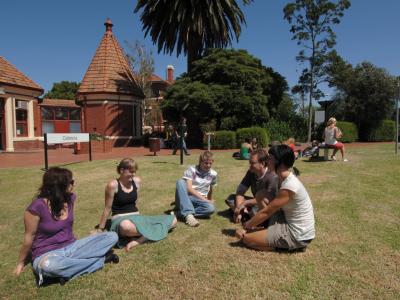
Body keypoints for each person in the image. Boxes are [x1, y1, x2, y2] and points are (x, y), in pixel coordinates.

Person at [14, 167, 118, 286]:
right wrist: (20, 263)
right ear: (59, 186)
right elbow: (29, 237)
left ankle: (68, 271)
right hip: (47, 254)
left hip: (72, 247)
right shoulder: (36, 207)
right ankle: (102, 260)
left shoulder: (69, 199)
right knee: (49, 266)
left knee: (112, 236)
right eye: (71, 182)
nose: (74, 184)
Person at [236, 145, 315, 252]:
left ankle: (286, 246)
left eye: (270, 158)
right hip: (286, 220)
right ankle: (269, 233)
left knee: (246, 239)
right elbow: (265, 201)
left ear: (280, 162)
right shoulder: (280, 178)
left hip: (298, 234)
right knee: (261, 194)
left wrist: (247, 226)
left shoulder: (290, 185)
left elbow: (267, 212)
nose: (267, 160)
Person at [94, 158, 177, 251]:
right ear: (121, 170)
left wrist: (141, 220)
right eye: (131, 171)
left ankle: (139, 240)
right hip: (121, 219)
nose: (133, 174)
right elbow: (107, 208)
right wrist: (100, 229)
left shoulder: (136, 181)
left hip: (136, 217)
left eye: (134, 172)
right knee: (125, 226)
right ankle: (151, 233)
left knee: (173, 220)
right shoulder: (113, 185)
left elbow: (136, 202)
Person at [225, 148, 279, 223]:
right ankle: (244, 213)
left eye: (252, 163)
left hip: (265, 204)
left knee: (255, 209)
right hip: (254, 202)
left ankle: (247, 213)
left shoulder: (271, 176)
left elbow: (267, 200)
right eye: (249, 162)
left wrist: (244, 203)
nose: (250, 166)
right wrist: (239, 209)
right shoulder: (251, 172)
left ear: (262, 164)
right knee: (231, 198)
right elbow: (240, 191)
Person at [175, 151, 217, 227]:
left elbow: (211, 187)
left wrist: (209, 199)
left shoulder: (213, 174)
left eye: (210, 163)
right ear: (200, 162)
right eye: (205, 163)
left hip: (199, 201)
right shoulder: (192, 170)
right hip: (186, 197)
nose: (208, 165)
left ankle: (180, 213)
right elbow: (189, 188)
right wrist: (205, 200)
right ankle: (189, 216)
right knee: (180, 182)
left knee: (210, 208)